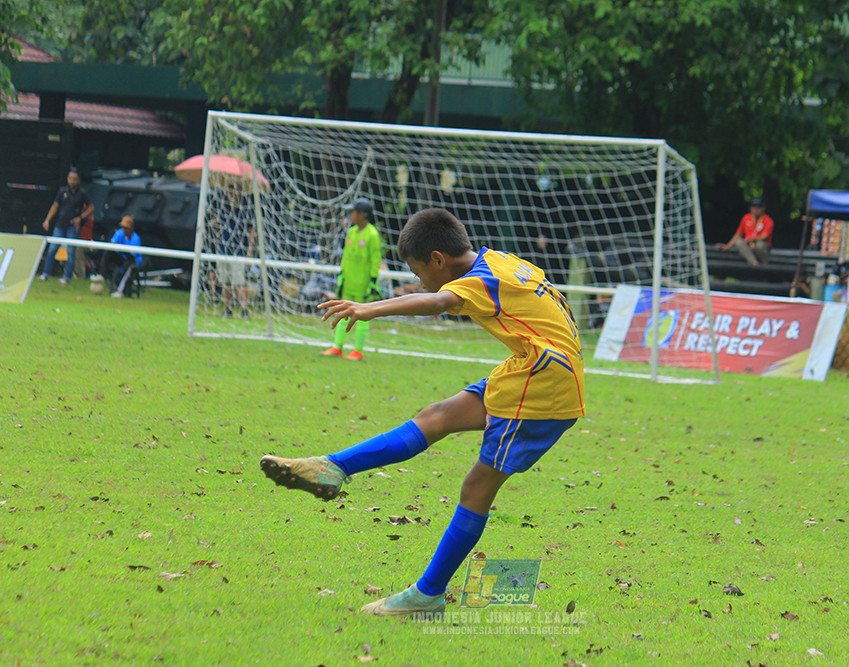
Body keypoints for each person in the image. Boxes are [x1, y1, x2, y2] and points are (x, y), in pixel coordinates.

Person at [261, 208, 585, 618]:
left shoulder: (478, 280)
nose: (419, 280)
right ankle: (333, 467)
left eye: (417, 272)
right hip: (535, 366)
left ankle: (428, 594)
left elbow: (438, 299)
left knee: (476, 489)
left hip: (543, 381)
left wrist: (371, 308)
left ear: (438, 259)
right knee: (438, 416)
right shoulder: (500, 260)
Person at [320, 197, 382, 360]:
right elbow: (345, 258)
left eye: (353, 212)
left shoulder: (372, 234)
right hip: (348, 283)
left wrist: (373, 282)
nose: (350, 215)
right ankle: (337, 347)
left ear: (362, 214)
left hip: (363, 283)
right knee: (342, 313)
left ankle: (358, 350)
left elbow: (376, 260)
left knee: (363, 315)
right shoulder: (351, 232)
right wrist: (341, 278)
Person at [39, 168, 94, 284]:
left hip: (72, 226)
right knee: (52, 249)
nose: (72, 181)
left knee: (71, 251)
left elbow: (91, 208)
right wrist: (47, 220)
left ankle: (67, 277)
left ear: (78, 180)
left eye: (74, 179)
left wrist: (81, 218)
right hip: (60, 224)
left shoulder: (82, 194)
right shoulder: (62, 191)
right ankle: (46, 273)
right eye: (70, 179)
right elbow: (55, 206)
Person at [213, 188, 255, 318]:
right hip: (224, 250)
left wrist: (249, 250)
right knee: (226, 282)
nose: (232, 196)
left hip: (238, 251)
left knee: (239, 282)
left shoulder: (245, 212)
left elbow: (251, 232)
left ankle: (244, 309)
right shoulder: (223, 210)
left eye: (235, 193)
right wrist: (216, 227)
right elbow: (216, 226)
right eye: (230, 193)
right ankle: (228, 308)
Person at [716, 197, 773, 266]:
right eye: (754, 207)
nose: (756, 209)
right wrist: (728, 246)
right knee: (739, 242)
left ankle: (764, 264)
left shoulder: (768, 220)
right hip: (748, 245)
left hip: (760, 246)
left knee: (759, 245)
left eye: (759, 207)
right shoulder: (746, 218)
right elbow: (738, 233)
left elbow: (764, 236)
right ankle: (753, 262)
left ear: (763, 209)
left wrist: (753, 239)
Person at [99, 216, 144, 298]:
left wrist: (119, 248)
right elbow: (112, 244)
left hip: (133, 262)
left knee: (128, 265)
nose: (124, 230)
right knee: (108, 253)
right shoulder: (120, 232)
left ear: (131, 228)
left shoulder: (136, 239)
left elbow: (131, 255)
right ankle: (101, 276)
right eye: (123, 227)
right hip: (122, 258)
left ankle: (120, 291)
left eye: (126, 228)